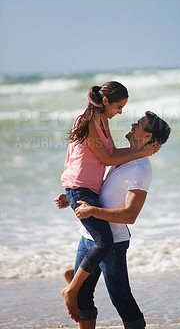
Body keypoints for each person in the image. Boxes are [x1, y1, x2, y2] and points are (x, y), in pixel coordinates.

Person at [55, 111, 171, 329]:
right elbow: (102, 190)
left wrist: (92, 211)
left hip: (113, 242)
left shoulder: (141, 169)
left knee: (121, 299)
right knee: (83, 295)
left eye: (139, 124)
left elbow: (130, 214)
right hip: (91, 235)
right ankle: (74, 284)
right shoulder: (123, 161)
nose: (133, 124)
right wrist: (72, 198)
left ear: (147, 137)